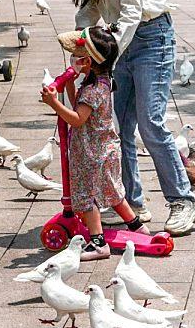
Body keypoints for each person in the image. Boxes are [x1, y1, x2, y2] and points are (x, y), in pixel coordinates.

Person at [51, 0, 195, 235]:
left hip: (150, 38)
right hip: (119, 41)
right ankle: (130, 201)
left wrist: (104, 51)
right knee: (118, 126)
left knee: (150, 122)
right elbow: (89, 7)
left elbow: (133, 10)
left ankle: (183, 202)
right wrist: (81, 44)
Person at [41, 27, 152, 260]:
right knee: (113, 192)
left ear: (88, 61)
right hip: (106, 149)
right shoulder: (103, 81)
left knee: (86, 197)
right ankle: (138, 228)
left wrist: (53, 103)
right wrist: (69, 86)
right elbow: (81, 107)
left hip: (91, 153)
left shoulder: (92, 90)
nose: (74, 59)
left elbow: (78, 119)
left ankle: (98, 244)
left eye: (78, 55)